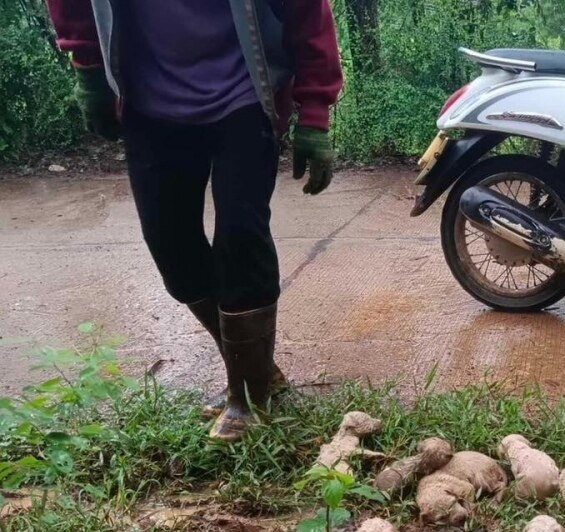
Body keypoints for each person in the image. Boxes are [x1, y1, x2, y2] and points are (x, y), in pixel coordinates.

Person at [46, 0, 344, 442]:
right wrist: (88, 68)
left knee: (241, 236)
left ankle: (249, 396)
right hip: (150, 103)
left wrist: (315, 115)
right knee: (171, 247)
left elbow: (308, 13)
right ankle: (256, 368)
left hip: (246, 99)